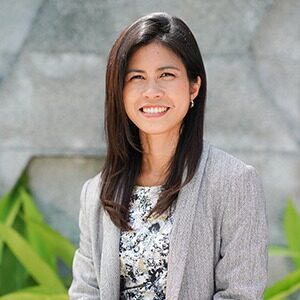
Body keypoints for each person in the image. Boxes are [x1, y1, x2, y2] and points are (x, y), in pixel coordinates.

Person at [69, 12, 268, 300]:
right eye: (136, 77)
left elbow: (241, 294)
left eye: (167, 75)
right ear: (120, 92)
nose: (152, 91)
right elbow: (85, 291)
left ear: (194, 86)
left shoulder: (234, 183)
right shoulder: (97, 193)